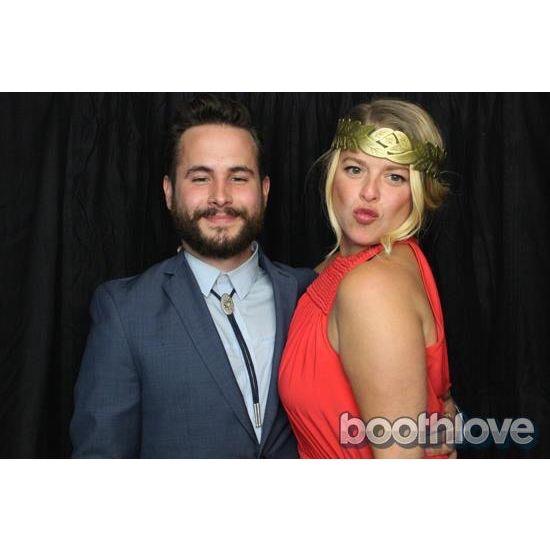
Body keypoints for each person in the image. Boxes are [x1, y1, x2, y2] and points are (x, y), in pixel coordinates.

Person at [70, 94, 316, 458]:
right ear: (169, 192)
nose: (221, 197)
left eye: (238, 177)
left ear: (264, 191)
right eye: (200, 178)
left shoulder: (308, 293)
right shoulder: (124, 311)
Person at [279, 99, 455, 458]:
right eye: (355, 169)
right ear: (333, 174)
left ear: (418, 192)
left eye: (394, 177)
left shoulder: (373, 287)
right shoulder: (340, 270)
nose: (369, 192)